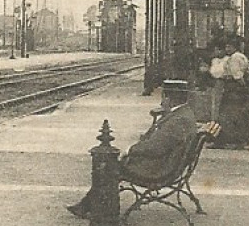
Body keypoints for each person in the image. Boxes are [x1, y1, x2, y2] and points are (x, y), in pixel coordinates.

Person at [68, 80, 213, 218]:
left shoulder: (178, 120)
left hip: (158, 169)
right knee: (112, 166)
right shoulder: (183, 113)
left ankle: (93, 208)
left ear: (170, 98)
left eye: (163, 97)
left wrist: (131, 150)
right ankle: (89, 205)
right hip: (166, 164)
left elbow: (155, 148)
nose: (162, 101)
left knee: (109, 167)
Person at [209, 37, 249, 148]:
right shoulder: (240, 56)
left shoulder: (234, 58)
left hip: (234, 88)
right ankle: (239, 140)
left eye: (229, 46)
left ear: (235, 47)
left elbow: (237, 75)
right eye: (226, 47)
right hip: (237, 89)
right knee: (238, 114)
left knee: (228, 114)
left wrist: (239, 85)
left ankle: (230, 141)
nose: (227, 49)